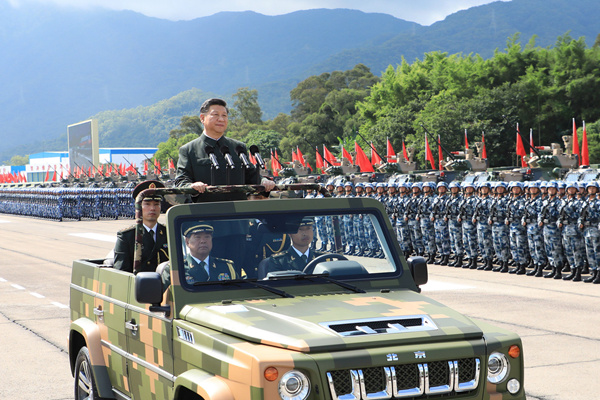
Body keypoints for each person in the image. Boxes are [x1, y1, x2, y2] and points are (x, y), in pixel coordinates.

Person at [175, 98, 276, 199]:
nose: (221, 119)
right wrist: (192, 186)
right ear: (202, 118)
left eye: (224, 115)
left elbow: (250, 175)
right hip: (204, 210)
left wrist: (264, 181)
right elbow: (181, 181)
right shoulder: (188, 150)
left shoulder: (238, 147)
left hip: (237, 210)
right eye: (215, 115)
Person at [113, 180, 169, 273]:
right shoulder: (127, 236)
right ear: (138, 206)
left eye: (156, 204)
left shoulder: (169, 232)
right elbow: (122, 271)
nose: (152, 208)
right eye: (147, 204)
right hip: (140, 285)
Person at [258, 218, 324, 278]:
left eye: (308, 228)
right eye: (300, 229)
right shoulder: (279, 261)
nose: (305, 233)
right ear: (290, 233)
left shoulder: (322, 258)